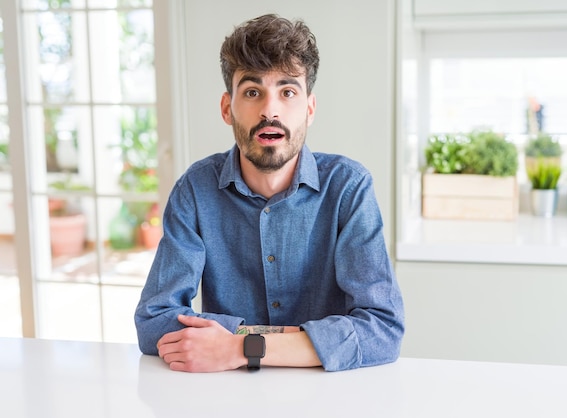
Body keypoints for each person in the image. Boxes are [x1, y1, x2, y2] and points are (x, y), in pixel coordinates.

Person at [134, 13, 404, 373]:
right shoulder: (195, 190)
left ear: (309, 109)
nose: (270, 110)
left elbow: (383, 331)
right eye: (252, 92)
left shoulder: (349, 188)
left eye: (287, 91)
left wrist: (238, 347)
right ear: (227, 108)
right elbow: (154, 322)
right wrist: (306, 341)